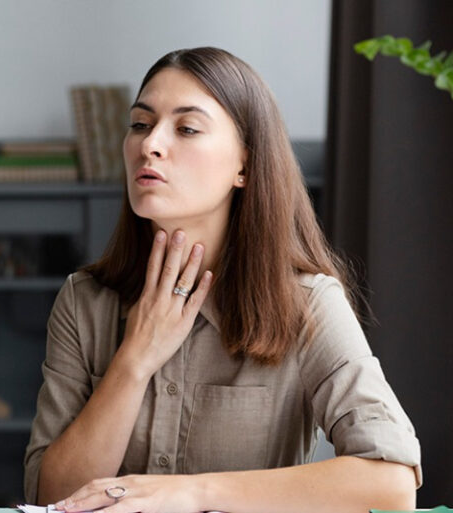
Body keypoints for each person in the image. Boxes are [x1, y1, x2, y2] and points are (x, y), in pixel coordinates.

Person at [23, 47, 421, 513]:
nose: (150, 144)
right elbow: (51, 498)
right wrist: (134, 361)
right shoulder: (84, 301)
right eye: (140, 123)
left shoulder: (307, 303)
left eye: (187, 128)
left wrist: (192, 492)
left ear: (245, 167)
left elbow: (391, 483)